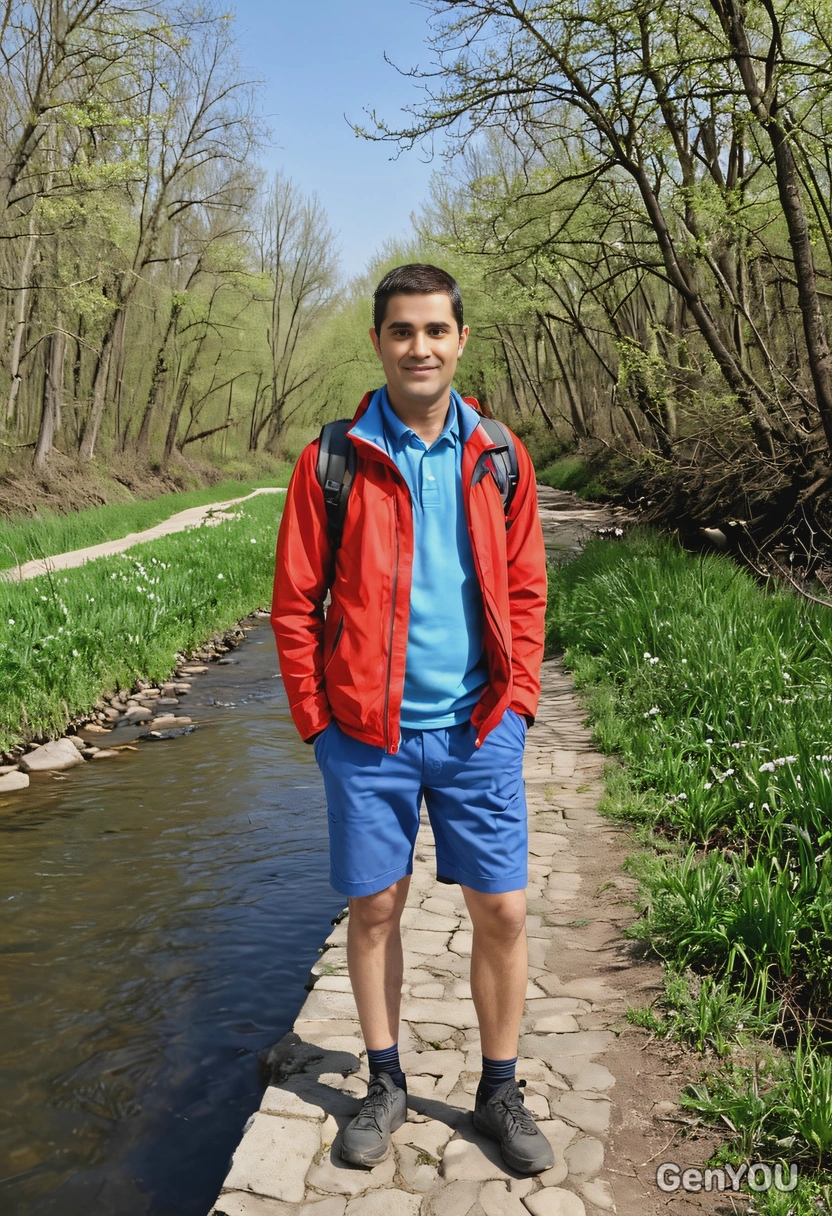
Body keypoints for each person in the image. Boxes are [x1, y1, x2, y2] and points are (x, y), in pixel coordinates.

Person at [271, 263, 551, 1174]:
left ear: (461, 339)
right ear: (379, 342)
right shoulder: (333, 461)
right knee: (376, 908)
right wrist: (319, 723)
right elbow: (294, 604)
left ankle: (498, 1090)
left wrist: (519, 705)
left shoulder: (501, 457)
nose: (419, 347)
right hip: (366, 735)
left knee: (502, 909)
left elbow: (525, 589)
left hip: (477, 729)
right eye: (402, 331)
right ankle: (384, 1080)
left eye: (436, 330)